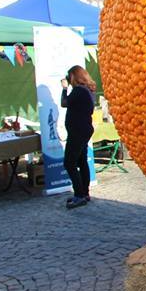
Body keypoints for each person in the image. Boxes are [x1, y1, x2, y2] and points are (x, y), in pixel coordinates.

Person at [60, 66, 96, 209]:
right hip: (84, 129)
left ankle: (79, 195)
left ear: (74, 77)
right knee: (81, 161)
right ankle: (85, 192)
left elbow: (64, 103)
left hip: (78, 131)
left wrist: (64, 88)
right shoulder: (87, 90)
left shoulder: (78, 90)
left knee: (69, 162)